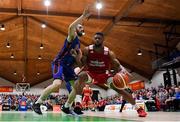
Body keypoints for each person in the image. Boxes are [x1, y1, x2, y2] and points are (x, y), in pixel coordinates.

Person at [61, 32, 147, 117]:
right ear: (93, 39)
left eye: (99, 38)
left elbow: (116, 64)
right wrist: (76, 57)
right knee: (81, 76)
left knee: (122, 90)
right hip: (91, 73)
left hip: (105, 75)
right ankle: (77, 104)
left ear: (103, 39)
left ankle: (138, 109)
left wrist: (121, 70)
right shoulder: (87, 50)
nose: (97, 40)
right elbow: (82, 65)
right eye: (95, 38)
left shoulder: (109, 52)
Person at [32, 7, 91, 115]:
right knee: (57, 84)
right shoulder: (72, 37)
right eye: (80, 27)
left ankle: (66, 106)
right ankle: (37, 103)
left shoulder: (78, 45)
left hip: (68, 66)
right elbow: (70, 27)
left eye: (83, 28)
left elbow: (79, 62)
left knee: (76, 88)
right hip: (59, 62)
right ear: (76, 30)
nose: (82, 29)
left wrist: (77, 57)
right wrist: (82, 17)